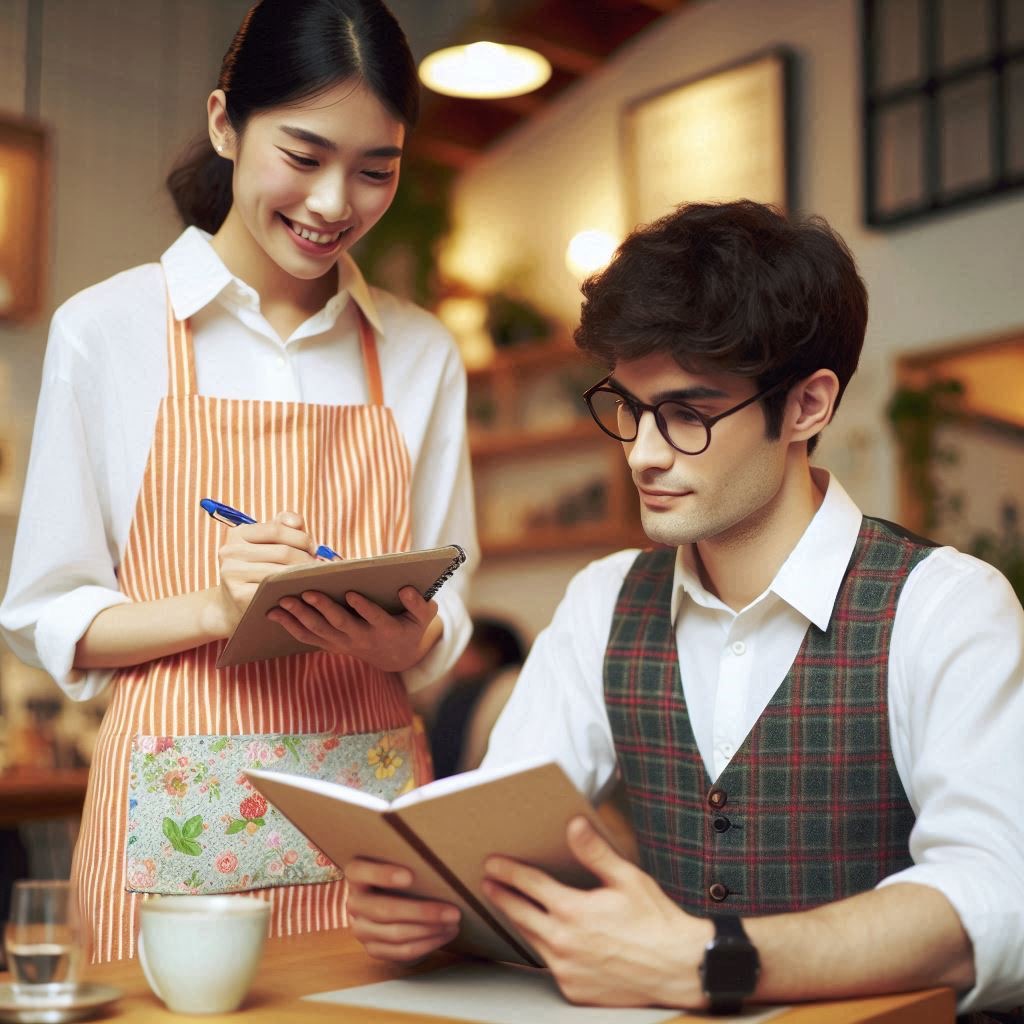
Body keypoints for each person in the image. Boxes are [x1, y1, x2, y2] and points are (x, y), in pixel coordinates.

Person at [342, 200, 1024, 1018]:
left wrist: (719, 960)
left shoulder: (944, 606)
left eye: (689, 415)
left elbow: (999, 900)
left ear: (807, 405)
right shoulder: (604, 602)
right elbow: (498, 835)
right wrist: (432, 903)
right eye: (630, 408)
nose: (643, 452)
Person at [0, 0, 477, 963]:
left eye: (375, 170)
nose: (336, 203)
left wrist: (413, 632)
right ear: (226, 124)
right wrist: (218, 608)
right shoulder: (111, 331)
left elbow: (452, 603)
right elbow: (48, 610)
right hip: (171, 840)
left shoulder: (422, 353)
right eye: (303, 157)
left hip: (370, 835)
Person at [418, 616, 525, 777]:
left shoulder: (468, 695)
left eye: (463, 649)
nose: (453, 660)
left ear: (490, 655)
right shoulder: (461, 692)